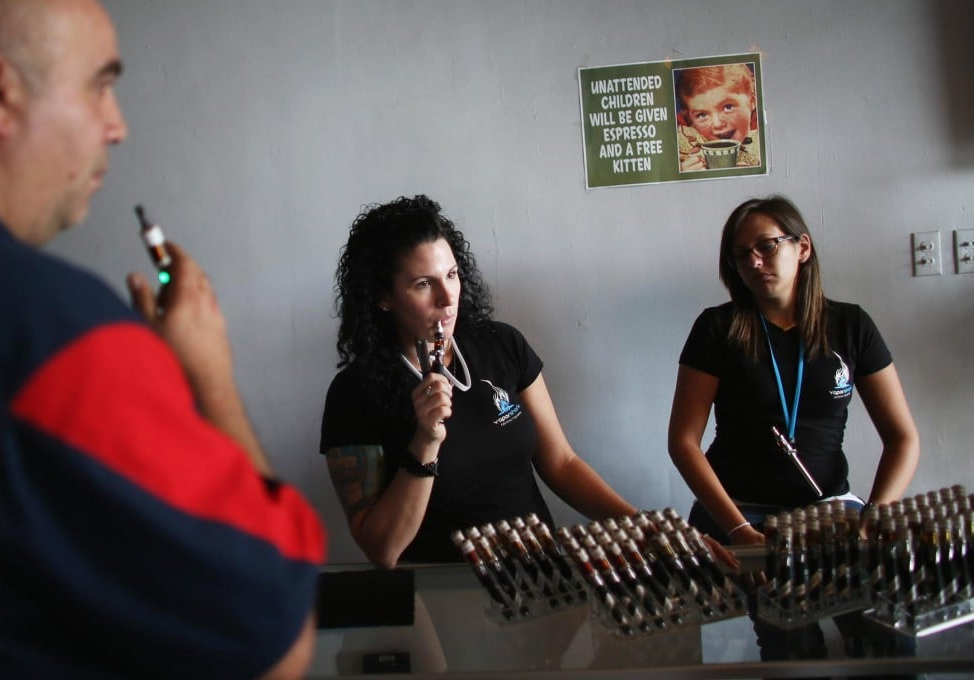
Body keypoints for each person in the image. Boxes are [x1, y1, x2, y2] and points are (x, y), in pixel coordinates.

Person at [0, 1, 324, 677]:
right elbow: (275, 634)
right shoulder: (53, 332)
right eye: (100, 83)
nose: (117, 126)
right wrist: (209, 377)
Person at [319, 195, 640, 568]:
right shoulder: (354, 394)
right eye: (423, 284)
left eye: (452, 275)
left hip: (542, 581)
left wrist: (641, 526)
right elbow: (382, 549)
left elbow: (562, 464)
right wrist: (425, 442)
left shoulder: (501, 344)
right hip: (447, 599)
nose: (447, 298)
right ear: (383, 297)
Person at [667, 195, 920, 546]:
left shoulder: (851, 325)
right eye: (742, 254)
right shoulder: (716, 328)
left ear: (802, 248)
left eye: (767, 246)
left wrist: (872, 519)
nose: (754, 262)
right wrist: (738, 529)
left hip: (828, 509)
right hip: (738, 511)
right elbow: (683, 442)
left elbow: (902, 438)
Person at [675, 63, 762, 172]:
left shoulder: (765, 138)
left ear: (752, 101)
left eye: (728, 107)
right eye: (702, 115)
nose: (717, 124)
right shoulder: (684, 142)